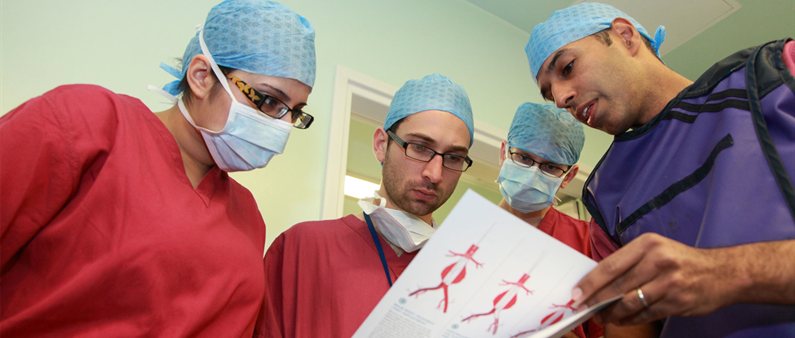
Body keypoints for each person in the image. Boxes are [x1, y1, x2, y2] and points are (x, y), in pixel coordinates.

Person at [0, 0, 316, 336]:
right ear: (202, 76)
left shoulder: (247, 216)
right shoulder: (85, 123)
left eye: (294, 113)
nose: (280, 126)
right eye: (268, 101)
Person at [525, 2, 795, 337]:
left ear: (625, 36)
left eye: (567, 68)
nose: (562, 97)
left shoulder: (774, 76)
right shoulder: (607, 197)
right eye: (550, 94)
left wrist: (727, 272)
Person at [255, 73, 475, 338]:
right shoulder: (303, 248)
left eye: (453, 157)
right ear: (382, 145)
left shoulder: (463, 278)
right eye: (419, 147)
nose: (435, 173)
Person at [498, 102, 654, 338]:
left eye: (550, 167)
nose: (532, 174)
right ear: (504, 153)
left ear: (568, 176)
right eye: (524, 158)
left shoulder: (590, 244)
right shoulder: (461, 233)